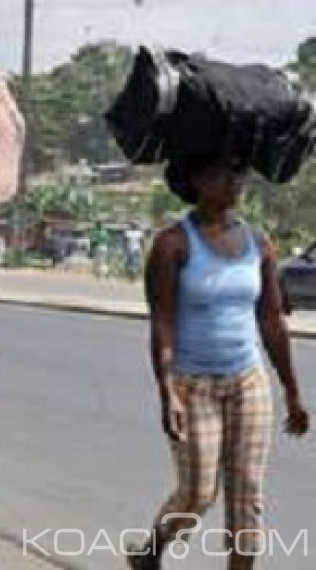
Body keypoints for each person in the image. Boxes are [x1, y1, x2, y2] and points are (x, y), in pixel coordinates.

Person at [127, 154, 310, 570]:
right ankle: (152, 549)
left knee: (247, 497)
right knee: (197, 494)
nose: (234, 182)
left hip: (247, 380)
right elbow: (164, 324)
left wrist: (292, 392)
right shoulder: (172, 244)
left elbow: (272, 321)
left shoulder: (259, 243)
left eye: (239, 173)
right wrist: (167, 391)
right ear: (196, 180)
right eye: (222, 173)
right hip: (192, 386)